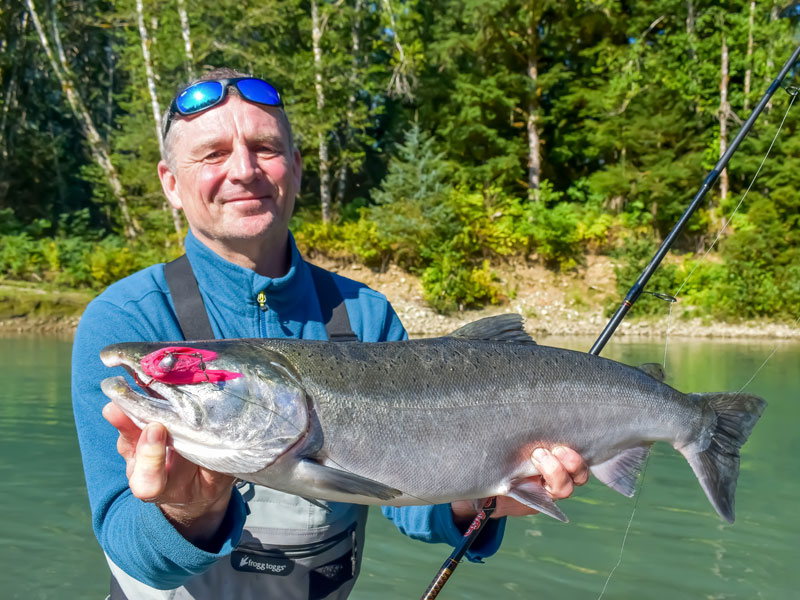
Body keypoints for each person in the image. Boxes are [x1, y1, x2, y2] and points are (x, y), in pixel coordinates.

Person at [71, 68, 589, 599]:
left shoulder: (364, 314)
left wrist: (476, 496)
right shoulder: (128, 321)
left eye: (264, 147)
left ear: (295, 169)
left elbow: (402, 495)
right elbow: (125, 544)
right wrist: (187, 511)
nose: (244, 170)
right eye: (213, 154)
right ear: (171, 184)